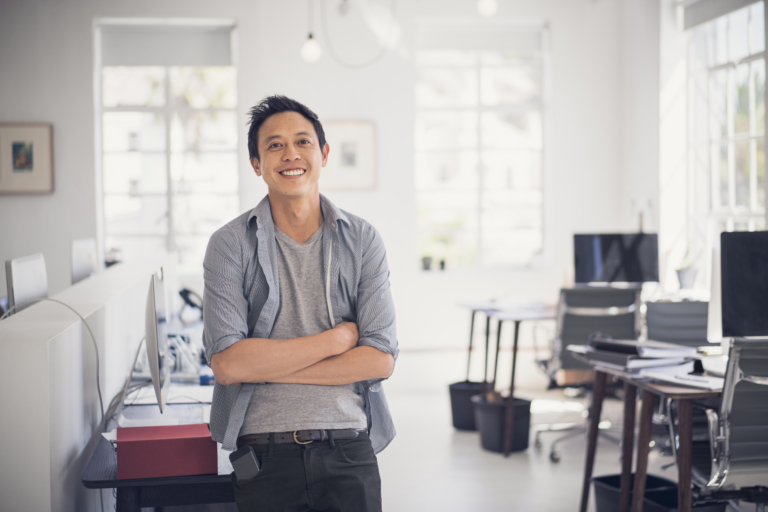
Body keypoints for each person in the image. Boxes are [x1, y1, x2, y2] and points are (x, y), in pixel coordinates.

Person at [203, 95, 398, 512]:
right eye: (274, 145)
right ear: (256, 163)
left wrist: (269, 368)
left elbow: (380, 359)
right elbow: (229, 366)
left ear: (323, 153)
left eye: (302, 142)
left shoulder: (362, 240)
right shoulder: (229, 245)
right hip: (264, 454)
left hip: (348, 445)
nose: (290, 154)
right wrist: (336, 340)